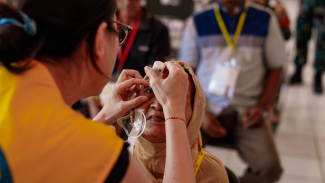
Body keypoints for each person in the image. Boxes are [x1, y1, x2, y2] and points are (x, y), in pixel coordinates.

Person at [0, 1, 196, 183]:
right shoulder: (102, 154)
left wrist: (103, 117)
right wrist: (174, 109)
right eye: (119, 32)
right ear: (100, 39)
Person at [180, 0, 285, 182]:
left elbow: (276, 67)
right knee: (176, 158)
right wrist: (200, 114)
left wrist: (261, 107)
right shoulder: (198, 20)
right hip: (205, 109)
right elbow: (186, 72)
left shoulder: (265, 19)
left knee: (270, 168)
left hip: (248, 110)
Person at [131, 61, 229, 183]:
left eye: (177, 97)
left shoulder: (212, 175)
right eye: (150, 91)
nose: (158, 105)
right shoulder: (119, 155)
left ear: (195, 114)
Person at [112, 0, 170, 79]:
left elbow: (155, 71)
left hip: (139, 85)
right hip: (104, 84)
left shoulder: (158, 30)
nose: (127, 2)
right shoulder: (105, 24)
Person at [290, 0, 325, 94]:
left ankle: (318, 75)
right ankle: (298, 70)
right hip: (305, 6)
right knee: (301, 38)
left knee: (322, 41)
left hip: (321, 6)